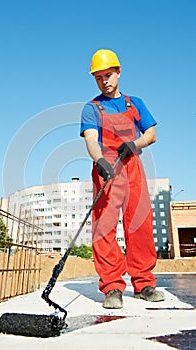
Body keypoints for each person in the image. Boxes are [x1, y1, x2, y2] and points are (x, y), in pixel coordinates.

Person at [80, 49, 165, 308]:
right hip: (107, 169)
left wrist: (134, 143)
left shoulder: (134, 103)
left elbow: (151, 134)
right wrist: (99, 160)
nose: (104, 81)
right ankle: (112, 287)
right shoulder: (91, 108)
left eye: (108, 75)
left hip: (132, 167)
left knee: (139, 224)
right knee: (104, 227)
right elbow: (91, 140)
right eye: (98, 77)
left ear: (118, 72)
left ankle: (144, 283)